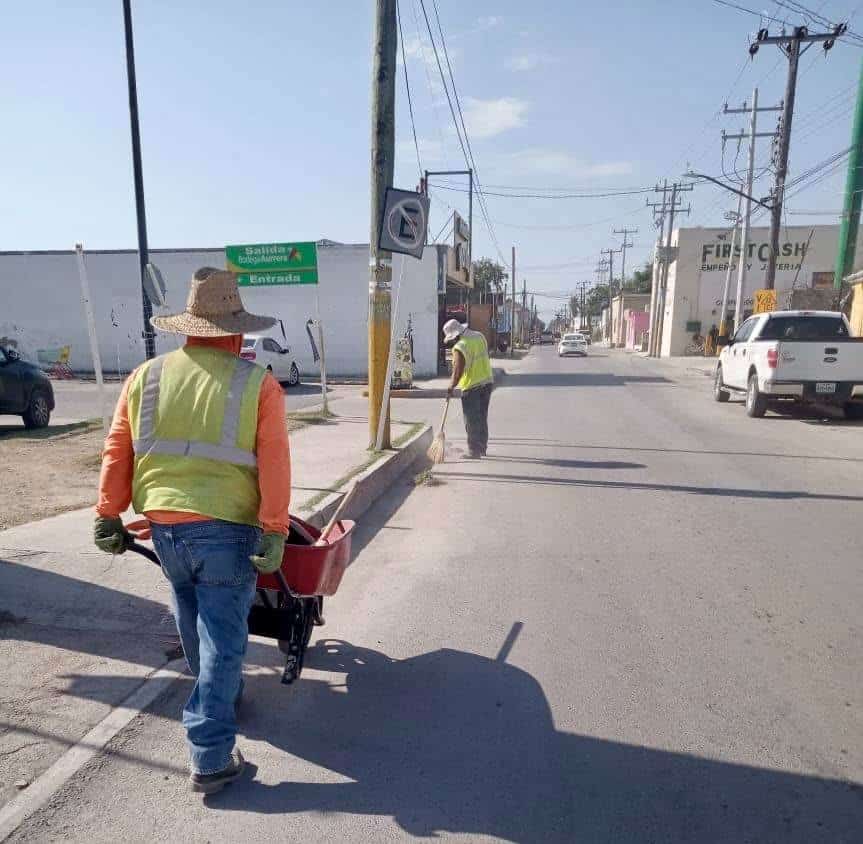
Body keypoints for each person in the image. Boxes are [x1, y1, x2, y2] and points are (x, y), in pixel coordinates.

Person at [93, 268, 291, 794]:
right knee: (223, 639)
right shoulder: (258, 384)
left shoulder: (145, 377)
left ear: (189, 328)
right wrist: (274, 528)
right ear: (234, 331)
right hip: (225, 529)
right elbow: (274, 462)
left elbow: (118, 449)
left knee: (191, 615)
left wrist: (109, 512)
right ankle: (209, 755)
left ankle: (221, 696)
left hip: (164, 528)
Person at [443, 318, 493, 459]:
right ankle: (482, 447)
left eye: (452, 339)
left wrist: (450, 386)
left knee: (471, 420)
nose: (452, 342)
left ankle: (474, 451)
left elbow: (458, 371)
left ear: (456, 335)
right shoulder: (479, 336)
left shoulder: (461, 346)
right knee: (482, 417)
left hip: (472, 386)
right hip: (487, 382)